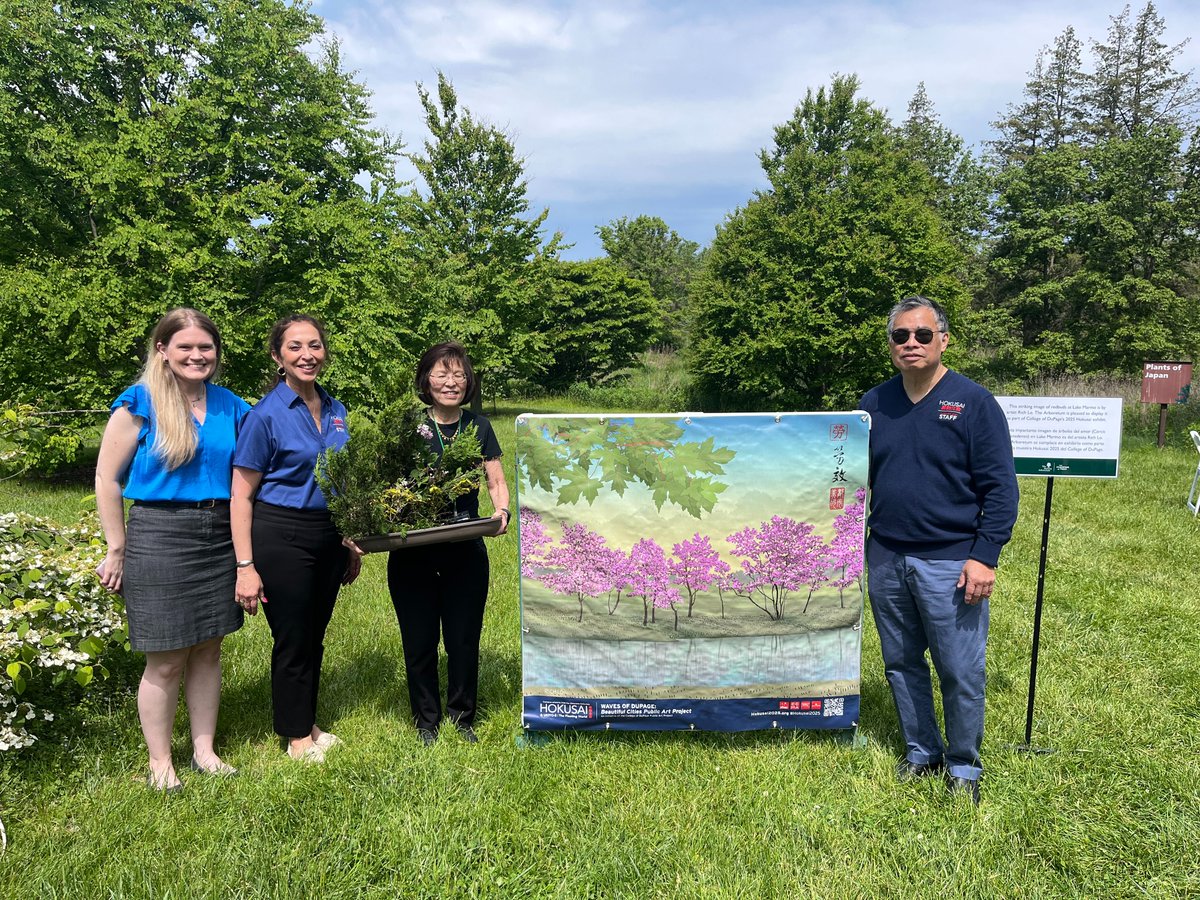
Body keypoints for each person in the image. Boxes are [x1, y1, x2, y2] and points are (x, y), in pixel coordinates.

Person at [859, 295, 1019, 805]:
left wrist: (984, 555)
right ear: (890, 345)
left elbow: (1001, 488)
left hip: (952, 560)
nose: (911, 343)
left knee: (959, 668)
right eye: (901, 336)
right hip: (885, 556)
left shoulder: (974, 402)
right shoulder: (872, 405)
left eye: (922, 335)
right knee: (901, 663)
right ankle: (922, 752)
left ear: (943, 339)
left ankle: (965, 766)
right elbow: (844, 476)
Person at [95, 308, 249, 791]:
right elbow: (106, 478)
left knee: (208, 648)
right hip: (159, 534)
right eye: (185, 347)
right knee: (164, 657)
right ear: (162, 349)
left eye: (206, 347)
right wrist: (116, 547)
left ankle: (204, 750)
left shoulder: (231, 405)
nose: (197, 355)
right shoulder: (138, 403)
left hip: (220, 533)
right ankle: (160, 761)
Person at [230, 314, 361, 764]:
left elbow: (342, 480)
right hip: (280, 532)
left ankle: (307, 721)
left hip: (328, 535)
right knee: (292, 636)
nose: (307, 355)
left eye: (315, 345)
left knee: (315, 634)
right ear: (277, 356)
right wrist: (245, 567)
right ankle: (295, 737)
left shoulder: (339, 410)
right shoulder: (263, 416)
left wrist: (347, 539)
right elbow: (241, 496)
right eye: (295, 347)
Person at [387, 342, 509, 746]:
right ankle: (426, 720)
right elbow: (385, 485)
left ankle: (462, 716)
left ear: (468, 381)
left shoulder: (480, 427)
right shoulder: (409, 427)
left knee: (462, 638)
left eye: (458, 375)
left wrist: (502, 512)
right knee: (418, 639)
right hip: (413, 550)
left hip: (464, 547)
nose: (451, 382)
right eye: (441, 374)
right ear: (426, 380)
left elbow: (495, 480)